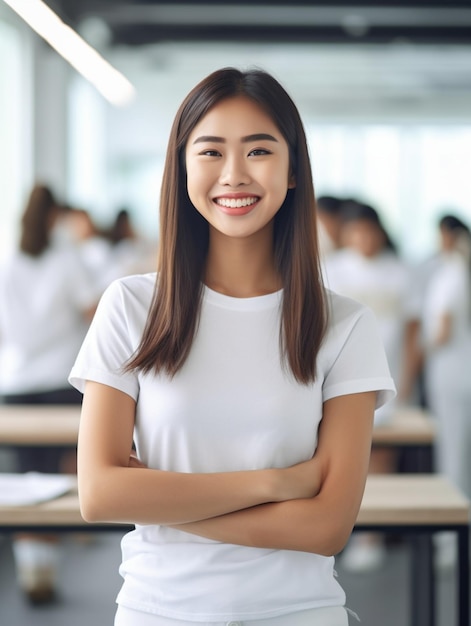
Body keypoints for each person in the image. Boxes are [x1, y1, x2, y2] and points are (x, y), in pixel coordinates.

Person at [69, 68, 395, 626]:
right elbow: (99, 493)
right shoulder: (129, 307)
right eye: (211, 151)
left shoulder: (344, 323)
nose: (235, 175)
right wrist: (274, 485)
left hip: (301, 612)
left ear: (293, 171)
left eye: (260, 150)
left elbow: (326, 528)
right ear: (183, 168)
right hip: (159, 611)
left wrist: (157, 501)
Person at [0, 184, 99, 603]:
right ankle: (46, 566)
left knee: (23, 480)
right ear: (56, 216)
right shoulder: (66, 259)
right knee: (58, 476)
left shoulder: (8, 261)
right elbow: (93, 311)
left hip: (17, 381)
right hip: (61, 377)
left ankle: (31, 571)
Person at [322, 201, 412, 572]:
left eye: (369, 230)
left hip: (390, 372)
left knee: (381, 455)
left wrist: (408, 378)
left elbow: (413, 330)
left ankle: (369, 537)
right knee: (339, 453)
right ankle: (336, 530)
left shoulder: (398, 272)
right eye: (355, 231)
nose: (363, 238)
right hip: (340, 376)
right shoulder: (332, 268)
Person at [421, 214, 471, 568]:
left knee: (452, 457)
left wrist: (417, 350)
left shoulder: (451, 272)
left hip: (451, 375)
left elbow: (441, 329)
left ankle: (451, 546)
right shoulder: (461, 270)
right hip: (461, 373)